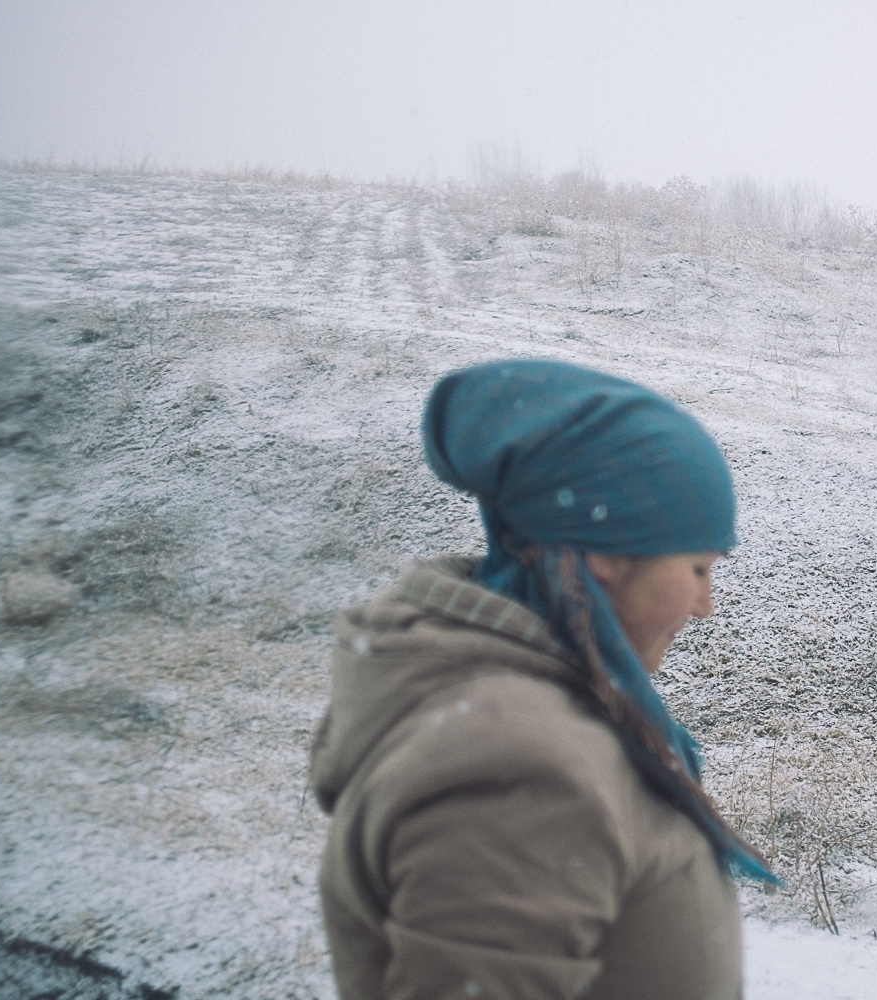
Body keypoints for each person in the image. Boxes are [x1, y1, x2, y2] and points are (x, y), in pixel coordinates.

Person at [309, 359, 780, 1000]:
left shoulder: (503, 699)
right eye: (697, 567)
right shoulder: (519, 765)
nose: (706, 604)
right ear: (605, 556)